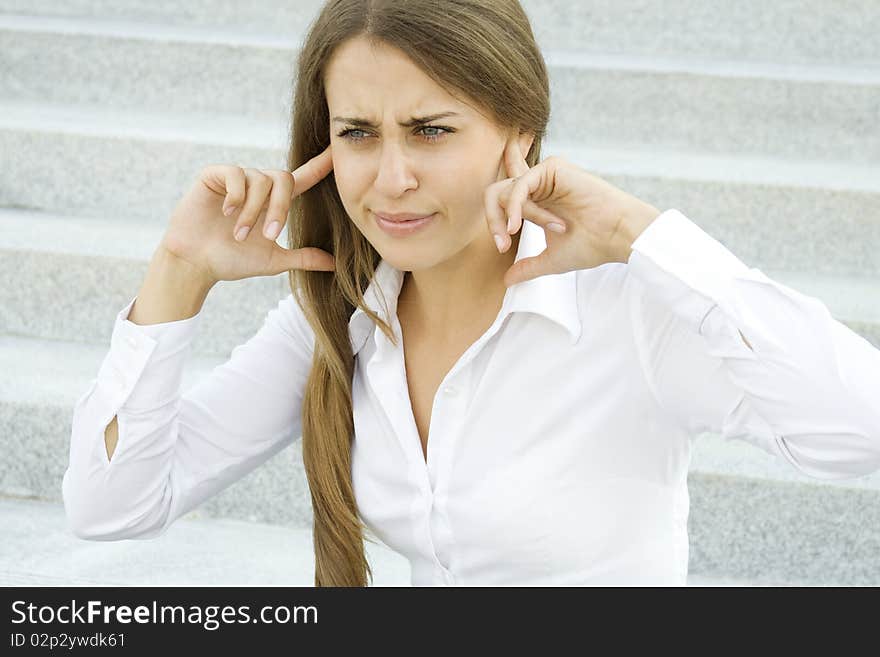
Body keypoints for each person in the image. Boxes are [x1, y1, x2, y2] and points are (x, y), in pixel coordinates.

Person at [62, 0, 880, 587]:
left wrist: (644, 236)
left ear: (519, 132)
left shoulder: (625, 307)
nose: (392, 179)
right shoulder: (339, 315)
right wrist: (178, 269)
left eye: (431, 130)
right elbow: (112, 505)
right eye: (357, 133)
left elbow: (860, 429)